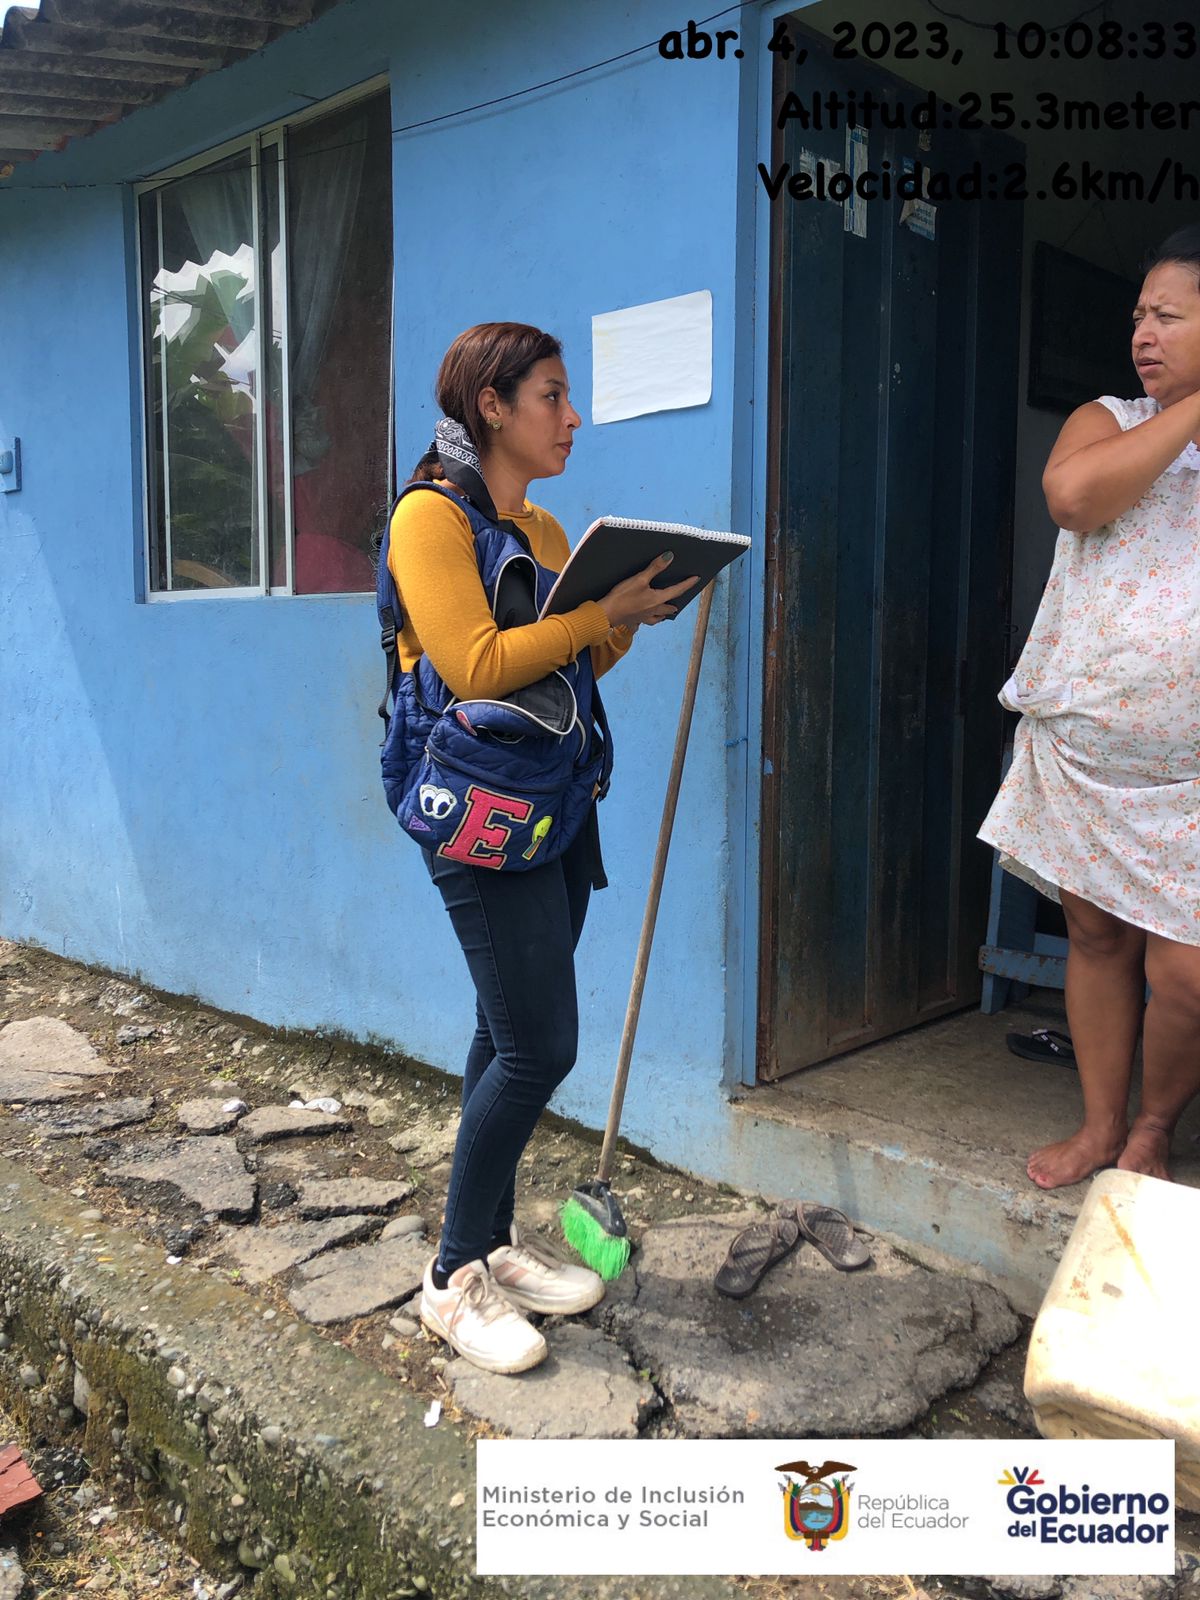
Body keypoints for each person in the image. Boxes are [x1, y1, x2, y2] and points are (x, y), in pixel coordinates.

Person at [386, 323, 696, 1372]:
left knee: (504, 1026)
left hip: (555, 800)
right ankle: (450, 1281)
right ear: (492, 405)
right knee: (539, 1048)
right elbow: (477, 665)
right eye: (553, 396)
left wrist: (632, 614)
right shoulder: (428, 517)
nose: (574, 418)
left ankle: (488, 1244)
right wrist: (595, 612)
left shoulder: (547, 525)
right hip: (476, 811)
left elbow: (573, 662)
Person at [979, 224, 1200, 1192]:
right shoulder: (1107, 418)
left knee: (1187, 974)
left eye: (1168, 316)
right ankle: (1104, 1125)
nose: (1143, 333)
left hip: (1192, 778)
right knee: (1099, 940)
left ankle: (1156, 1125)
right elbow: (1072, 498)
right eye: (1138, 316)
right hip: (1088, 753)